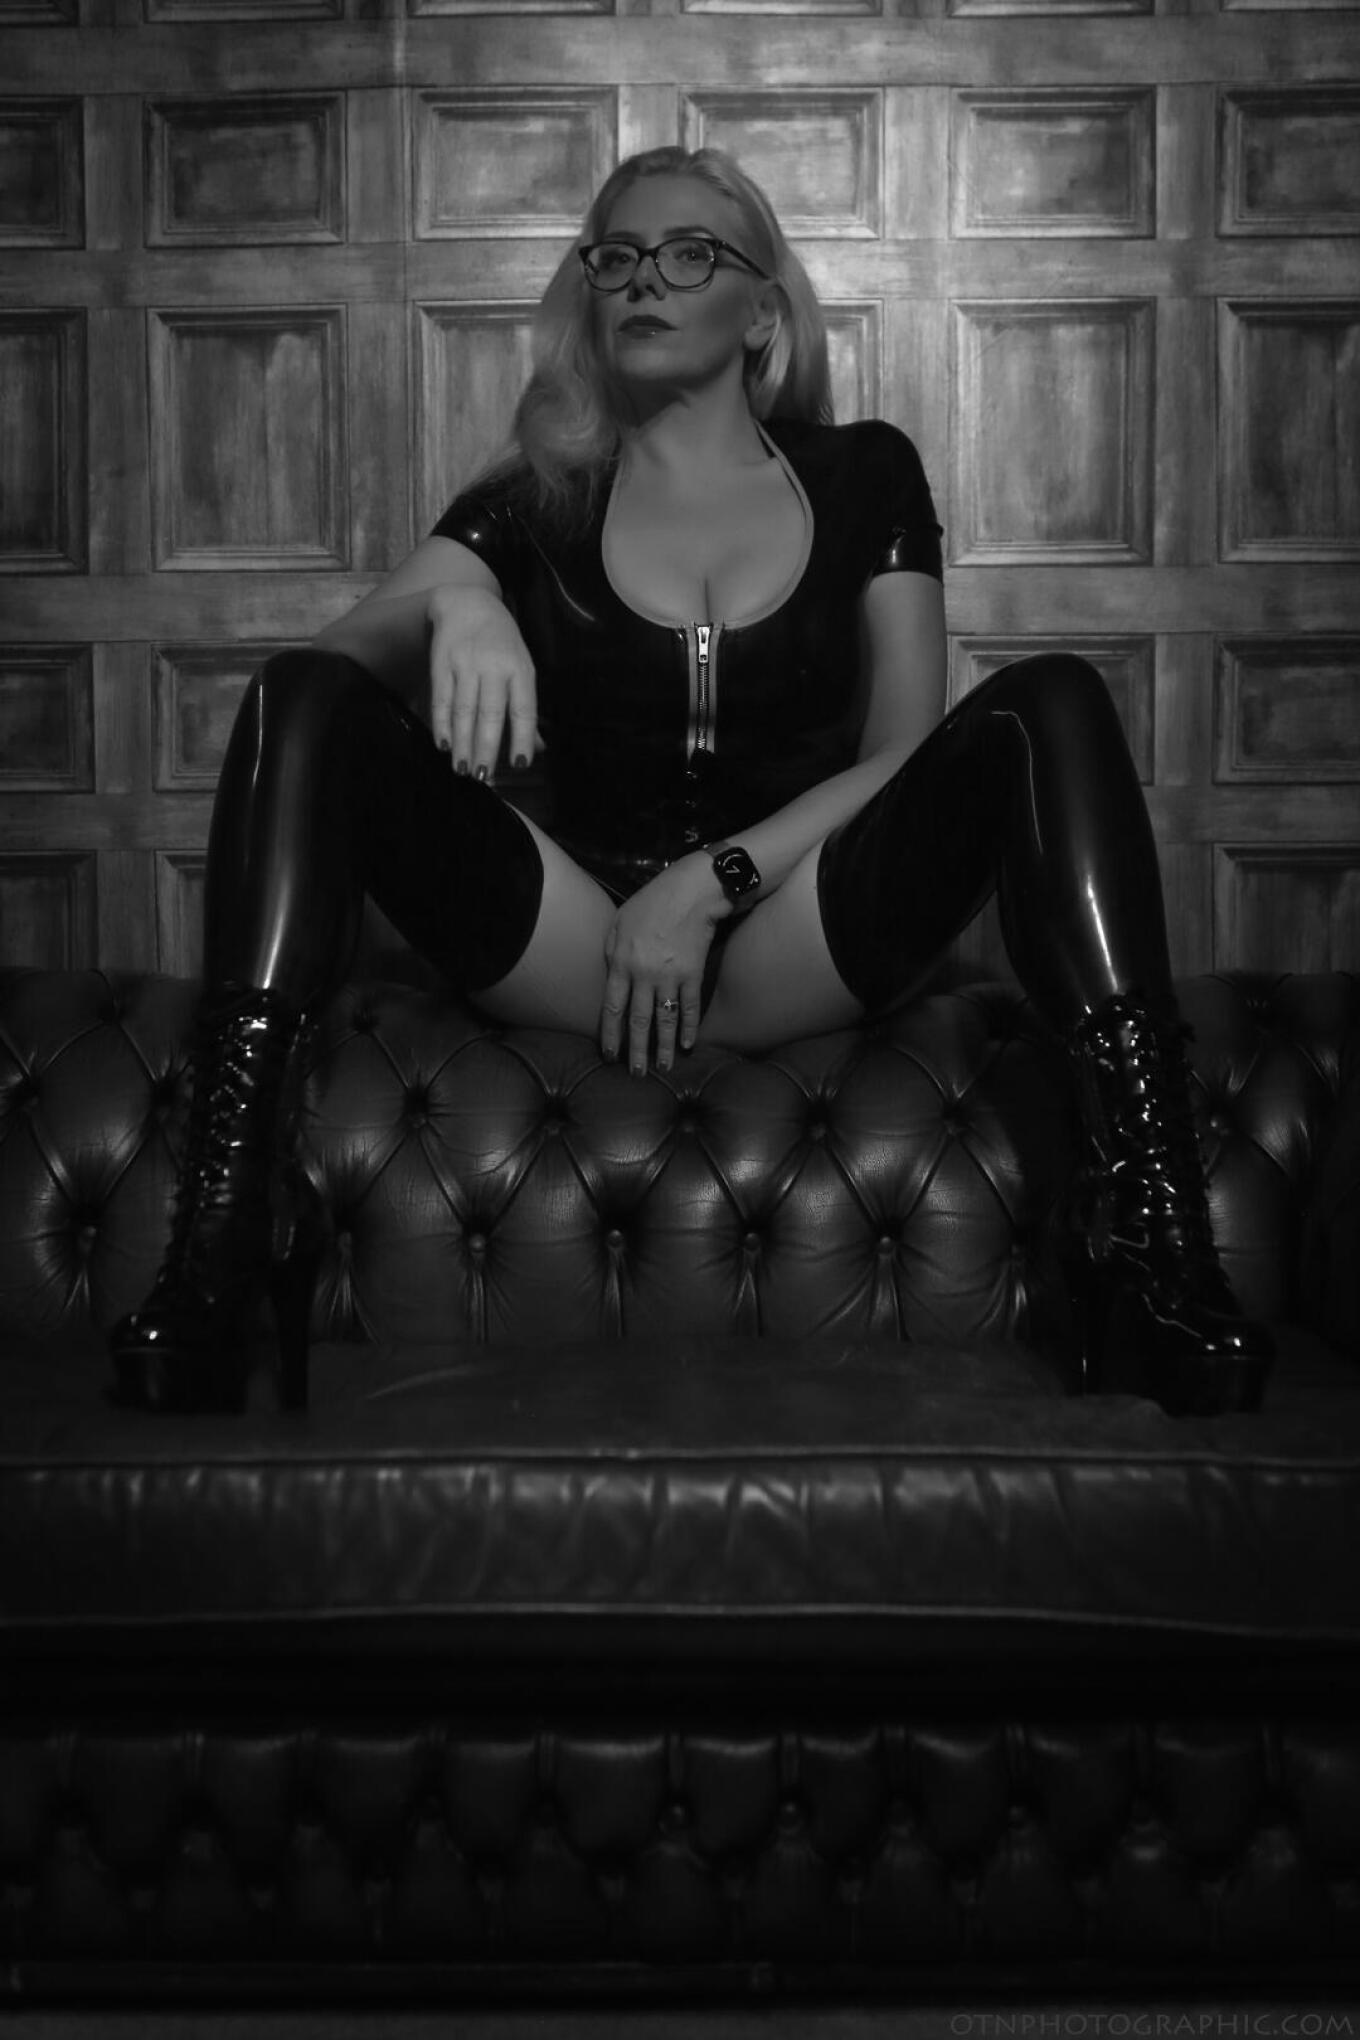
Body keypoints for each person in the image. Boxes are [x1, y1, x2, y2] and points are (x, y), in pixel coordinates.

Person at [109, 145, 1272, 1421]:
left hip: (795, 931)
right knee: (304, 695)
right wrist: (456, 604)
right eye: (615, 256)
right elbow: (314, 684)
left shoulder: (866, 474)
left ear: (761, 311)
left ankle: (1154, 1252)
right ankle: (227, 1241)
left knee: (1048, 699)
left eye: (688, 254)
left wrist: (716, 878)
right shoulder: (535, 500)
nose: (642, 280)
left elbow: (904, 753)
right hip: (581, 944)